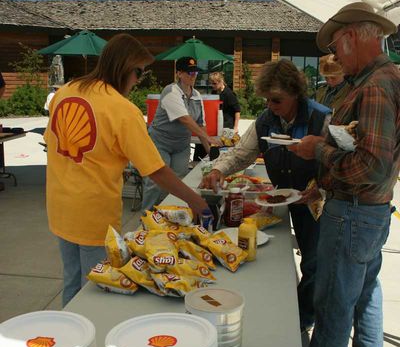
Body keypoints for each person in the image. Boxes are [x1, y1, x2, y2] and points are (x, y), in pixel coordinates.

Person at [290, 1, 400, 347]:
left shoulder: (373, 87)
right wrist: (322, 183)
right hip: (372, 210)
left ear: (353, 36)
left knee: (334, 301)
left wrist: (319, 150)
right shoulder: (384, 79)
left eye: (337, 45)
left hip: (354, 211)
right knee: (367, 292)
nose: (334, 56)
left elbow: (371, 165)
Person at [45, 35, 209, 306]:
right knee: (96, 292)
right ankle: (87, 345)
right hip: (93, 213)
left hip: (60, 206)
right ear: (125, 68)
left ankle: (67, 339)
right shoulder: (122, 110)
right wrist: (197, 201)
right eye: (139, 74)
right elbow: (156, 170)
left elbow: (54, 143)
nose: (137, 81)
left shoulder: (66, 90)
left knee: (72, 281)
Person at [201, 59, 331, 331]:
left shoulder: (322, 118)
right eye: (267, 100)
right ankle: (283, 311)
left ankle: (302, 320)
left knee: (315, 263)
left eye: (277, 100)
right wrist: (218, 170)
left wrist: (322, 186)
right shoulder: (265, 120)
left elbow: (340, 162)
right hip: (282, 198)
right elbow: (242, 153)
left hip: (315, 202)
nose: (271, 106)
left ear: (295, 93)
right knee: (276, 263)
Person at [141, 56, 217, 212]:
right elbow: (185, 119)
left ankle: (172, 215)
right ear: (179, 74)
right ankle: (145, 217)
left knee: (179, 181)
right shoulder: (171, 91)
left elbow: (201, 125)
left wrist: (211, 152)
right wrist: (209, 138)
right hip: (160, 142)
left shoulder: (196, 95)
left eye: (195, 72)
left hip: (181, 145)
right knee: (155, 182)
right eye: (189, 72)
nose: (193, 75)